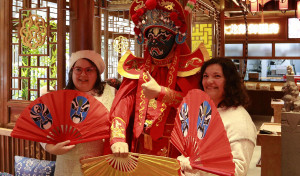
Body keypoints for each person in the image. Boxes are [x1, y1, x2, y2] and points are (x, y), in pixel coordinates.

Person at [109, 0, 209, 158]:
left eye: (163, 35)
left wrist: (162, 93)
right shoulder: (137, 70)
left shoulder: (190, 69)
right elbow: (122, 106)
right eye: (151, 35)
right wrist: (118, 137)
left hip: (176, 150)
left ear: (175, 38)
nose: (155, 40)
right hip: (140, 147)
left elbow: (196, 108)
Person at [41, 50, 115, 176]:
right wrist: (51, 148)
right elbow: (43, 127)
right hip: (67, 164)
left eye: (89, 70)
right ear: (72, 72)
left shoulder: (111, 93)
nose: (83, 74)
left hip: (100, 164)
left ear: (97, 72)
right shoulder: (61, 96)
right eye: (78, 69)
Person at [178, 58, 257, 176]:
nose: (209, 81)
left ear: (229, 82)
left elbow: (237, 170)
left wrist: (198, 166)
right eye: (205, 76)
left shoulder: (240, 119)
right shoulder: (205, 111)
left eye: (217, 76)